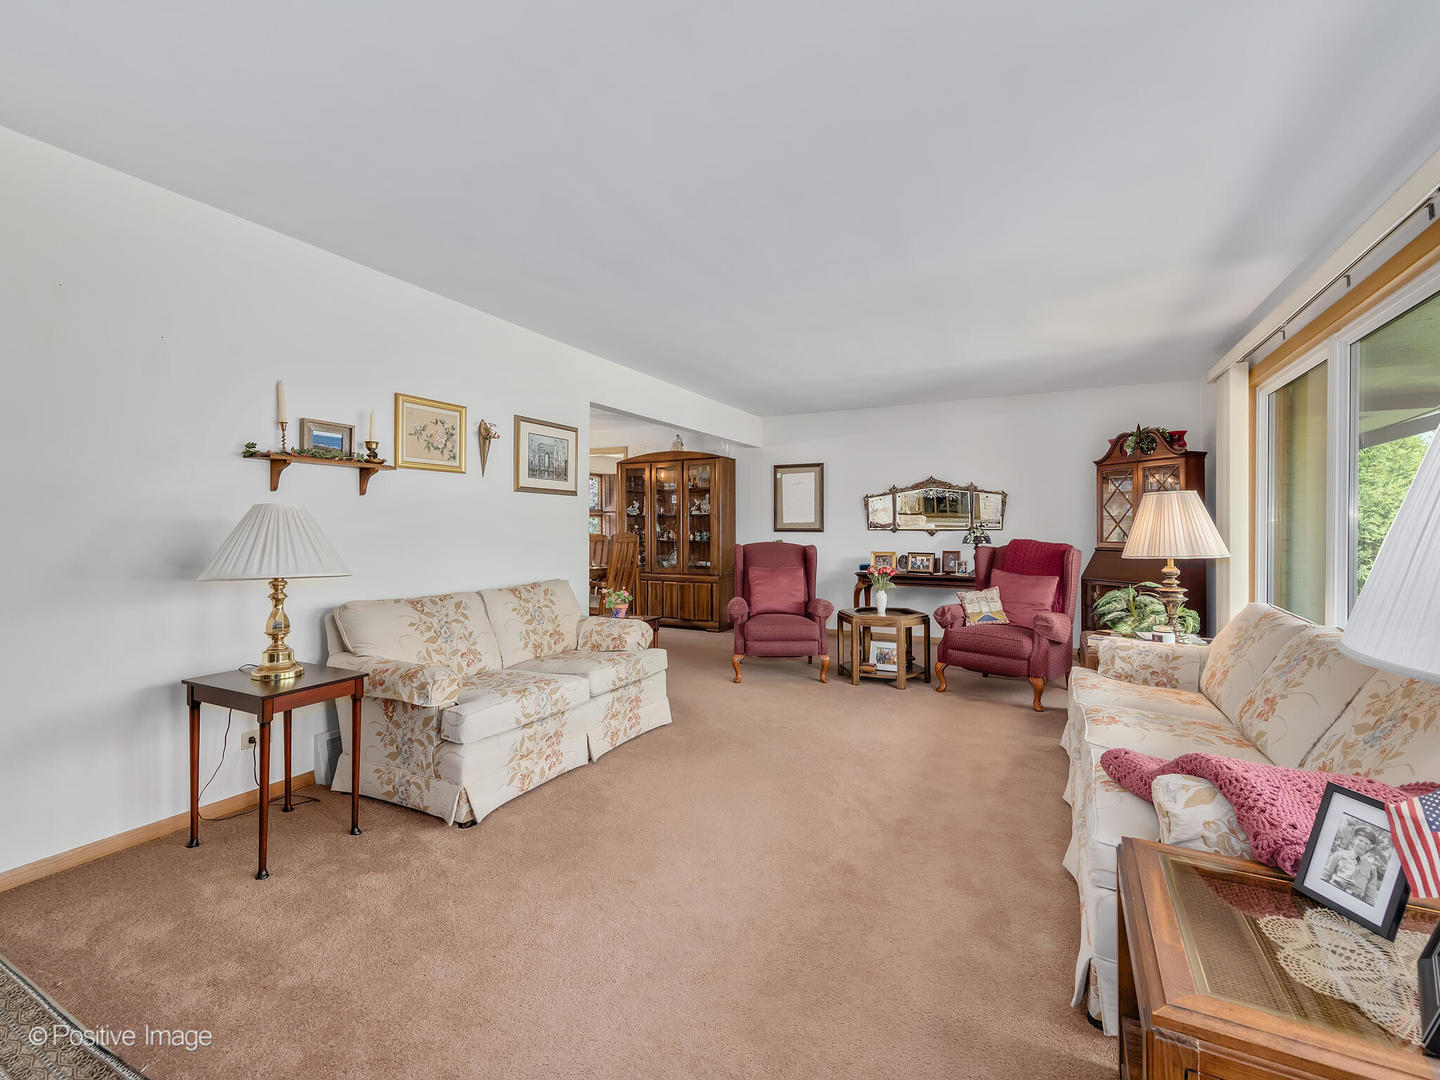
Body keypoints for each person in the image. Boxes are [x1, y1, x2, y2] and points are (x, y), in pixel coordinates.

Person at [1322, 828, 1384, 904]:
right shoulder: (1338, 855)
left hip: (1353, 902)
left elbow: (1370, 896)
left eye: (1366, 843)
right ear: (1354, 840)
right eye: (1360, 840)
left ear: (1369, 847)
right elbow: (1324, 876)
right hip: (1331, 893)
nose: (1362, 845)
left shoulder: (1371, 868)